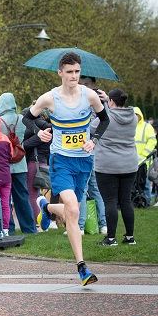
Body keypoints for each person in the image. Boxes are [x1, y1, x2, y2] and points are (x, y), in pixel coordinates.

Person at [23, 51, 109, 286]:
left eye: (77, 72)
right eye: (69, 72)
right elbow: (26, 118)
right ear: (60, 73)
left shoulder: (89, 96)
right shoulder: (49, 98)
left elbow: (105, 120)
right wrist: (40, 130)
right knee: (72, 209)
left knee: (74, 211)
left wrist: (94, 140)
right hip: (60, 160)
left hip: (83, 161)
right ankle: (82, 267)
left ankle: (46, 206)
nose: (74, 76)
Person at [92, 89, 138, 246]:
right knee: (126, 200)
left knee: (110, 201)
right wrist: (107, 101)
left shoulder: (106, 118)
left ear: (111, 101)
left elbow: (92, 128)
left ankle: (111, 238)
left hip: (108, 165)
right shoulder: (133, 117)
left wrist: (100, 105)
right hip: (129, 164)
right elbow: (118, 110)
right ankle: (130, 237)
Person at [0, 93, 37, 234]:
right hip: (20, 164)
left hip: (3, 164)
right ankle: (29, 228)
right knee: (22, 197)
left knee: (5, 198)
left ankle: (9, 228)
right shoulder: (22, 119)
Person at [76, 76, 107, 235]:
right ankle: (103, 225)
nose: (82, 86)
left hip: (87, 151)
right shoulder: (101, 102)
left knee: (83, 188)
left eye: (85, 84)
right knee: (95, 190)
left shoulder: (90, 102)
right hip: (95, 153)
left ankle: (80, 227)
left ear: (93, 85)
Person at [21, 104, 52, 228]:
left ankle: (37, 224)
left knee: (31, 195)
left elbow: (29, 143)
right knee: (36, 193)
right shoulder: (44, 124)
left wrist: (22, 145)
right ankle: (43, 212)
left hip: (35, 163)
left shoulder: (39, 128)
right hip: (42, 161)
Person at [133, 106, 156, 206]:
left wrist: (144, 154)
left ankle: (147, 200)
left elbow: (152, 141)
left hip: (144, 160)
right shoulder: (130, 126)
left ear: (139, 116)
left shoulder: (147, 127)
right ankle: (136, 200)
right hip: (132, 159)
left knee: (144, 181)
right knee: (134, 182)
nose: (134, 117)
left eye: (136, 115)